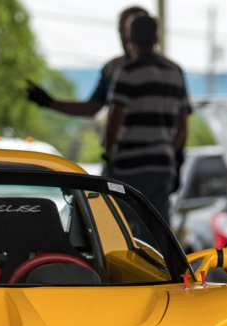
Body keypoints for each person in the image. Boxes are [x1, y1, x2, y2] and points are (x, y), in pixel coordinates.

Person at [103, 14, 189, 223]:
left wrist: (108, 153)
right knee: (157, 227)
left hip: (129, 165)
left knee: (124, 226)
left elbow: (114, 119)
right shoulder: (175, 72)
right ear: (156, 37)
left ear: (130, 38)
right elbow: (182, 127)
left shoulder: (127, 71)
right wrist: (169, 152)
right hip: (162, 165)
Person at [26, 6, 148, 123]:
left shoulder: (158, 68)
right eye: (121, 31)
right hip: (124, 138)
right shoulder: (112, 68)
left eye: (128, 31)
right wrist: (49, 102)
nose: (124, 38)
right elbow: (92, 107)